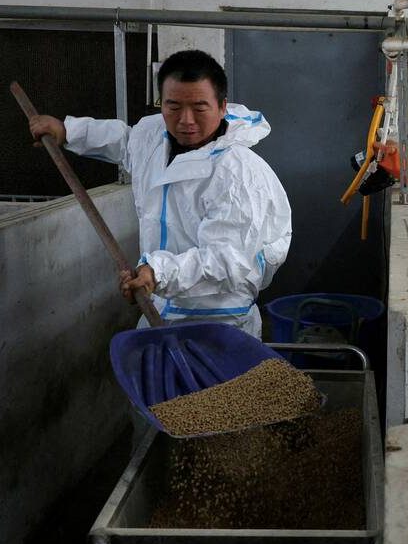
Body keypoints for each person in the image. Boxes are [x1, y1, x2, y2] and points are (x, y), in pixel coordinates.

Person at [28, 49, 291, 339]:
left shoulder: (238, 173)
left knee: (219, 386)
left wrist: (158, 273)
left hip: (220, 321)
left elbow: (227, 259)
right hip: (158, 308)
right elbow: (127, 142)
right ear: (161, 104)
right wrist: (68, 131)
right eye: (173, 106)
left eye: (199, 107)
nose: (185, 120)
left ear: (222, 106)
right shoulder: (153, 137)